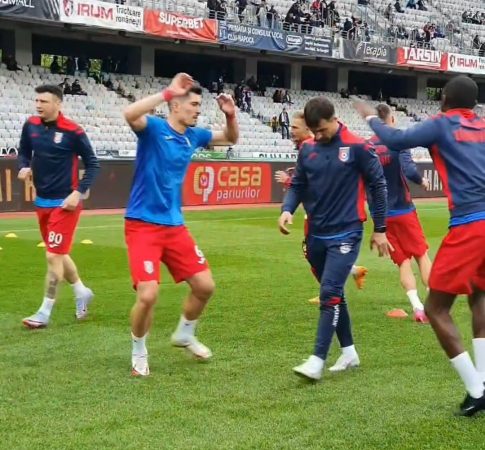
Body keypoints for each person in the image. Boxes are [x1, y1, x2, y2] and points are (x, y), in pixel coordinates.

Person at [354, 75, 485, 416]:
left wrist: (370, 117)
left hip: (470, 225)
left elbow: (395, 140)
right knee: (479, 297)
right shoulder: (482, 126)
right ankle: (483, 380)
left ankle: (476, 389)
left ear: (445, 98)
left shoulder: (442, 123)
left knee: (436, 309)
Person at [123, 73, 239, 377]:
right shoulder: (154, 129)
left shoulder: (194, 136)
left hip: (174, 226)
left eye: (199, 105)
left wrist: (231, 115)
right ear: (175, 106)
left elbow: (230, 139)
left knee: (205, 286)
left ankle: (185, 334)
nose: (198, 110)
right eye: (194, 104)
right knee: (148, 295)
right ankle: (139, 351)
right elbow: (130, 114)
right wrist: (167, 92)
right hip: (142, 224)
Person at [278, 97, 391, 381]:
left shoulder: (358, 147)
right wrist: (287, 209)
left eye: (321, 130)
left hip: (347, 232)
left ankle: (316, 360)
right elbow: (298, 184)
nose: (317, 136)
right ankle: (349, 353)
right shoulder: (308, 149)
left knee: (329, 292)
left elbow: (378, 186)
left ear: (334, 119)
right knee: (335, 293)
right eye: (313, 131)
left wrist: (380, 229)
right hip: (316, 234)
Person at [18, 85, 100, 329]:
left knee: (53, 255)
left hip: (65, 204)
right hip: (42, 201)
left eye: (43, 101)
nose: (38, 105)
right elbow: (23, 151)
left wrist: (78, 192)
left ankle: (44, 312)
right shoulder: (31, 125)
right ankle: (82, 291)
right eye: (37, 101)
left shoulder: (73, 131)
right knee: (59, 253)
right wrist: (23, 166)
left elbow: (93, 164)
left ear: (57, 104)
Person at [274, 111, 369, 300]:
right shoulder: (307, 148)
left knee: (315, 254)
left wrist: (289, 182)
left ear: (308, 128)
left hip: (329, 218)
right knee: (316, 255)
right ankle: (334, 289)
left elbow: (315, 186)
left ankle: (330, 292)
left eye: (295, 127)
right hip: (317, 215)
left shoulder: (317, 149)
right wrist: (288, 207)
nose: (291, 131)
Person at [370, 104, 432, 323]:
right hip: (403, 209)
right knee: (421, 254)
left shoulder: (367, 146)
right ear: (392, 119)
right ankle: (433, 306)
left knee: (403, 261)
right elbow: (408, 169)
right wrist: (421, 180)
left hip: (381, 216)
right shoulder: (398, 142)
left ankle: (417, 308)